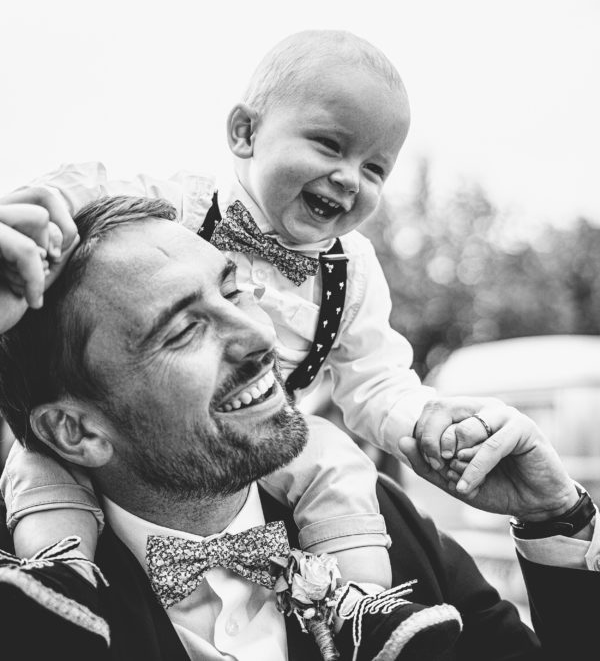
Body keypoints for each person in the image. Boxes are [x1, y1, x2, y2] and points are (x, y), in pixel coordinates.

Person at [0, 194, 598, 661]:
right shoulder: (24, 603)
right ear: (75, 432)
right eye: (184, 331)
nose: (261, 337)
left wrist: (556, 517)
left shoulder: (382, 521)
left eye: (236, 289)